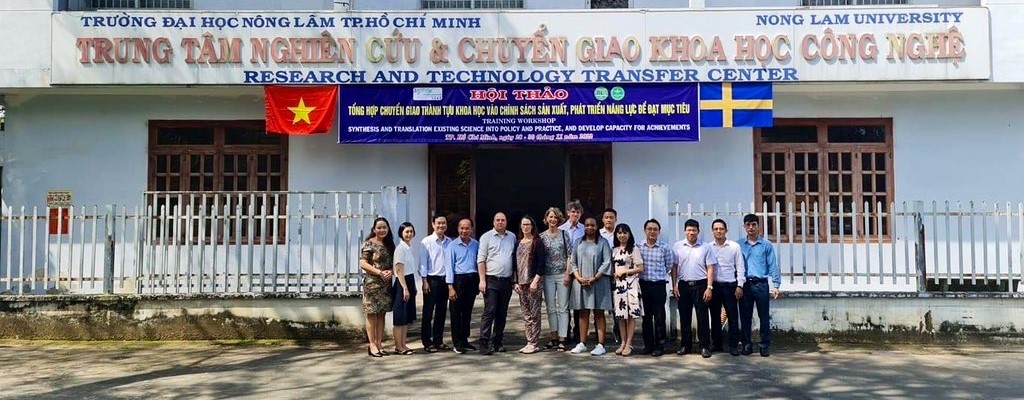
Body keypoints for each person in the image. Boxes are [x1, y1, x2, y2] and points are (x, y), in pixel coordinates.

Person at [671, 219, 717, 358]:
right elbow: (674, 267)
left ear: (698, 231)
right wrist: (674, 285)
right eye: (689, 230)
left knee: (702, 316)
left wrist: (709, 287)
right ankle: (685, 345)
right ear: (685, 231)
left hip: (701, 285)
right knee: (685, 316)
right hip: (683, 285)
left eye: (694, 230)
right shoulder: (678, 246)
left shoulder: (706, 246)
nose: (691, 233)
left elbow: (710, 267)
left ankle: (704, 346)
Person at [568, 217, 613, 356]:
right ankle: (582, 343)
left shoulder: (603, 243)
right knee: (583, 312)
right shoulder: (578, 242)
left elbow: (607, 262)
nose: (589, 227)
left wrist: (595, 278)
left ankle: (601, 344)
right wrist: (578, 277)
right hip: (581, 282)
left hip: (598, 282)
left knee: (599, 313)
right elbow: (573, 261)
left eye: (592, 225)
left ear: (596, 226)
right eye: (587, 225)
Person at [739, 214, 782, 357]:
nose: (751, 227)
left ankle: (764, 345)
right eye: (748, 225)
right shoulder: (738, 245)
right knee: (745, 317)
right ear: (744, 226)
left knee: (764, 316)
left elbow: (772, 265)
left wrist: (776, 284)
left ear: (758, 226)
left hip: (761, 285)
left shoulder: (766, 245)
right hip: (744, 285)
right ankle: (746, 345)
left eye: (753, 224)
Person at [476, 212, 516, 355]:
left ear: (506, 222)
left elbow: (514, 259)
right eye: (497, 220)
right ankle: (484, 342)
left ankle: (497, 342)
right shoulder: (486, 237)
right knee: (489, 311)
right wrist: (482, 280)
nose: (500, 222)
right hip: (491, 280)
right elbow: (481, 260)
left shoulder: (512, 237)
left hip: (506, 281)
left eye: (503, 220)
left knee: (502, 313)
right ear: (493, 222)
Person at [637, 219, 676, 357]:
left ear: (659, 232)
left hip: (658, 285)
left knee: (659, 316)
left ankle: (660, 346)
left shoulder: (664, 248)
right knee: (646, 317)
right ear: (645, 230)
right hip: (643, 285)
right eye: (649, 229)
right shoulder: (638, 246)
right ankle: (648, 345)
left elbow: (669, 266)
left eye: (655, 229)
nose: (652, 231)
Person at [358, 217, 395, 358]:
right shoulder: (369, 244)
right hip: (372, 284)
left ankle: (379, 343)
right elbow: (363, 263)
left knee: (381, 314)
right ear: (374, 229)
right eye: (379, 227)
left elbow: (395, 263)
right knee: (372, 314)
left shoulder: (390, 245)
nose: (382, 230)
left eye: (384, 227)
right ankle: (372, 344)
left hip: (385, 285)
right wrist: (379, 272)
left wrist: (390, 271)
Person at [708, 219, 745, 356]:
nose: (718, 231)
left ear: (726, 230)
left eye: (721, 228)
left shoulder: (734, 247)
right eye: (716, 229)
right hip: (715, 286)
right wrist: (709, 286)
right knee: (715, 316)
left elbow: (740, 266)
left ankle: (733, 345)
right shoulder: (708, 247)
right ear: (712, 231)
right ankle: (717, 343)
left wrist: (740, 285)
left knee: (733, 316)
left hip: (730, 286)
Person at [540, 207, 572, 352]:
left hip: (562, 275)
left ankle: (562, 338)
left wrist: (567, 273)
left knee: (563, 307)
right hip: (547, 275)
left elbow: (570, 256)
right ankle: (553, 337)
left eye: (555, 217)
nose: (552, 220)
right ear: (546, 219)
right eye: (550, 217)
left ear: (558, 220)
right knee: (551, 307)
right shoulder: (541, 237)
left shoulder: (564, 235)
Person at [446, 218, 480, 354]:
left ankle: (465, 340)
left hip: (471, 280)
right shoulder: (452, 246)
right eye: (462, 228)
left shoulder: (476, 244)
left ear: (471, 229)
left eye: (467, 228)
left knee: (467, 312)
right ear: (458, 229)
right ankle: (457, 342)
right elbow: (449, 267)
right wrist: (450, 287)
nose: (464, 231)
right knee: (456, 313)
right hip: (458, 281)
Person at [419, 214, 453, 353]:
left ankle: (438, 340)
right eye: (438, 223)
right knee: (428, 312)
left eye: (443, 223)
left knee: (441, 311)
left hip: (444, 280)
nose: (441, 226)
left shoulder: (449, 241)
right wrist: (424, 280)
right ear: (433, 224)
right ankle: (427, 342)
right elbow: (422, 262)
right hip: (431, 280)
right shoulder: (426, 242)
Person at [513, 215, 546, 354]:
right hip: (521, 283)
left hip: (533, 282)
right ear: (521, 227)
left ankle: (534, 342)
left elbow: (541, 263)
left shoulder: (537, 242)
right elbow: (514, 264)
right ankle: (529, 341)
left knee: (535, 313)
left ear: (532, 226)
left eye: (528, 224)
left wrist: (535, 281)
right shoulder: (518, 242)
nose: (526, 227)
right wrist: (515, 281)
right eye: (523, 224)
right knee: (526, 314)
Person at [611, 223, 644, 356]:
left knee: (631, 315)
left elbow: (640, 268)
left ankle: (629, 343)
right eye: (619, 233)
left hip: (631, 285)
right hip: (618, 286)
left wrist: (626, 271)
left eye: (624, 233)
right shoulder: (614, 250)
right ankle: (622, 342)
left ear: (629, 234)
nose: (622, 235)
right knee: (620, 315)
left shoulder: (634, 249)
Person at [391, 222, 419, 355]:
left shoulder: (408, 247)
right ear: (401, 233)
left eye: (411, 231)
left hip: (409, 281)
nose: (409, 234)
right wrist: (405, 288)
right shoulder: (400, 248)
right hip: (402, 283)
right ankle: (398, 346)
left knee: (405, 318)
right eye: (406, 231)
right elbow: (399, 270)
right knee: (399, 318)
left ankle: (403, 344)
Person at [559, 200, 585, 343]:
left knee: (578, 302)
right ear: (568, 213)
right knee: (564, 303)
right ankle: (565, 331)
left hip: (580, 270)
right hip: (565, 269)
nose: (575, 214)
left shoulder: (584, 229)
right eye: (573, 211)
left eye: (577, 212)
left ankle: (578, 332)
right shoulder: (561, 229)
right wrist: (566, 271)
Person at [599, 208, 622, 344]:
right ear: (602, 219)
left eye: (611, 217)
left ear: (615, 219)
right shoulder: (598, 234)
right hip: (601, 274)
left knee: (617, 305)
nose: (609, 219)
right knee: (600, 306)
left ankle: (618, 331)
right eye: (606, 217)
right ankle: (599, 334)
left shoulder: (619, 233)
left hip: (616, 274)